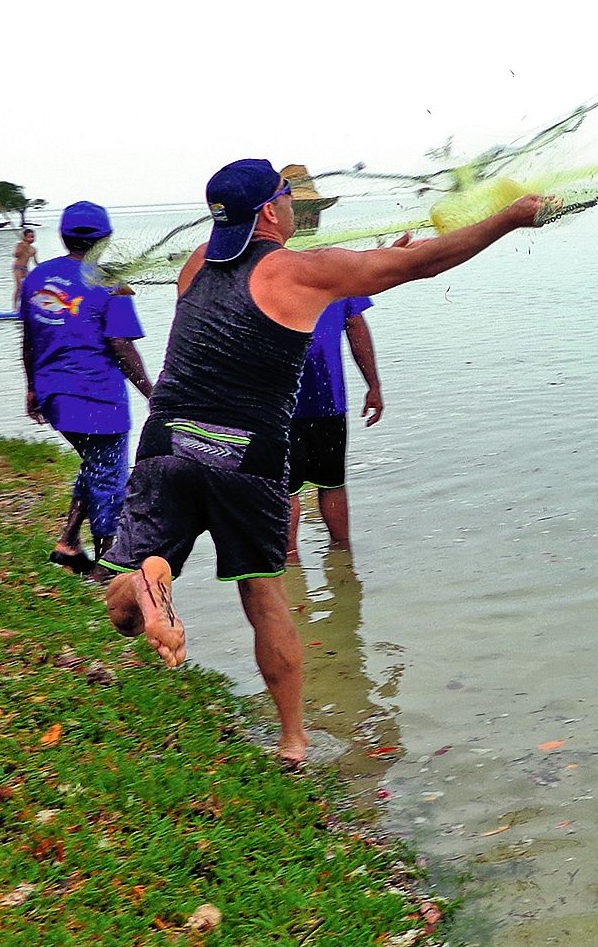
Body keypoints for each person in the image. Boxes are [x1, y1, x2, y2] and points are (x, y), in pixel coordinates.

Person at [96, 158, 545, 765]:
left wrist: (373, 261)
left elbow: (318, 279)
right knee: (264, 596)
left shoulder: (196, 263)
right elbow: (423, 265)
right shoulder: (299, 272)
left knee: (131, 589)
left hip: (166, 442)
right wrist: (511, 218)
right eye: (285, 196)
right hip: (245, 453)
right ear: (272, 210)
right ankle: (293, 742)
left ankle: (153, 583)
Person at [21, 202, 153, 574]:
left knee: (97, 464)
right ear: (105, 239)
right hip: (97, 399)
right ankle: (109, 565)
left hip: (54, 396)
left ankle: (68, 543)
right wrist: (152, 393)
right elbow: (122, 347)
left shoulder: (37, 279)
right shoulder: (109, 282)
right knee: (111, 476)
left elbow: (29, 339)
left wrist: (32, 388)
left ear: (63, 237)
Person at [287, 295, 383, 557]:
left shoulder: (259, 271)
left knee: (302, 486)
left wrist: (373, 385)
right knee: (323, 484)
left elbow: (355, 327)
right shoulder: (337, 267)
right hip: (307, 398)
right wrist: (373, 386)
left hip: (295, 401)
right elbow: (356, 327)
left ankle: (335, 558)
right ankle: (339, 558)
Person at [11, 228, 37, 307]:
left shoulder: (33, 249)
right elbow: (15, 255)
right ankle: (14, 306)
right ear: (25, 237)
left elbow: (35, 261)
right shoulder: (20, 245)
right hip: (17, 268)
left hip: (25, 269)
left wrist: (41, 268)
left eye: (33, 237)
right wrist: (23, 249)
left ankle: (26, 304)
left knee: (29, 286)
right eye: (30, 237)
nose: (32, 239)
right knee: (19, 287)